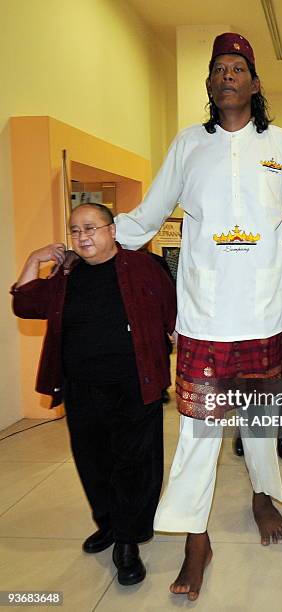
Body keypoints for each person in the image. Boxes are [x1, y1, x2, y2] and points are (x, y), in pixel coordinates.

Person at [113, 33, 282, 600]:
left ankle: (263, 495)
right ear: (209, 85)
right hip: (207, 317)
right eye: (219, 69)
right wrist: (87, 240)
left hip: (266, 314)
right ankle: (194, 538)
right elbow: (145, 216)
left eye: (238, 68)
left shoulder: (281, 143)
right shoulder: (188, 145)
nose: (228, 75)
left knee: (261, 424)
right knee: (198, 432)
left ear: (255, 83)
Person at [11, 203, 176, 587]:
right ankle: (108, 523)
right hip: (82, 388)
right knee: (93, 461)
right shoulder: (66, 274)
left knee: (134, 464)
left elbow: (173, 313)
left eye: (91, 228)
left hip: (137, 384)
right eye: (75, 230)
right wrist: (36, 259)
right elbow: (24, 303)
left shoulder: (145, 266)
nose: (83, 237)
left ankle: (127, 539)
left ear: (113, 230)